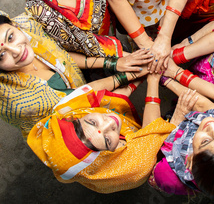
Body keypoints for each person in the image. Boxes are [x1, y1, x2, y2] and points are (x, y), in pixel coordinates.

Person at [0, 9, 152, 136]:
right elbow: (79, 96)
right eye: (1, 56)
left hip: (80, 89)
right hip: (77, 122)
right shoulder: (24, 103)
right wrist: (130, 77)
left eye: (11, 37)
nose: (17, 51)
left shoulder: (29, 26)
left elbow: (62, 56)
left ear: (14, 25)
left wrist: (114, 63)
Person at [26, 74, 200, 193]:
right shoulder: (136, 166)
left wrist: (136, 77)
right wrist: (177, 110)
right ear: (108, 155)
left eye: (92, 122)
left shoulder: (66, 112)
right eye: (108, 140)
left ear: (76, 119)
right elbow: (152, 132)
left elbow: (96, 94)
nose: (111, 121)